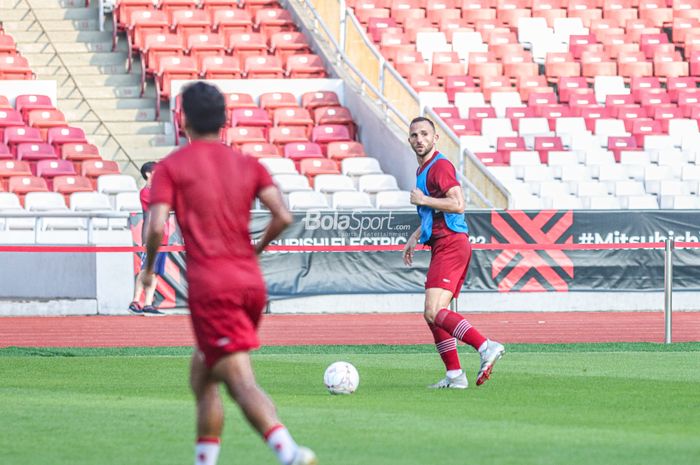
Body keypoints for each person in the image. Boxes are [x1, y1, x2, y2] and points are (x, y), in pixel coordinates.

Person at [140, 82, 317, 465]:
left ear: (183, 119)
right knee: (201, 379)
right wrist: (255, 249)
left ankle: (290, 454)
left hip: (212, 287)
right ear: (224, 120)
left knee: (238, 381)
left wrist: (147, 273)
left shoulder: (172, 167)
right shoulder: (248, 164)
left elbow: (156, 227)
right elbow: (283, 215)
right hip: (250, 284)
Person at [402, 116, 505, 389]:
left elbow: (458, 203)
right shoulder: (423, 169)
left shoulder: (440, 166)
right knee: (432, 313)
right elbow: (434, 211)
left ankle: (485, 346)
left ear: (435, 138)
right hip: (443, 243)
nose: (419, 139)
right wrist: (416, 235)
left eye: (425, 134)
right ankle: (455, 376)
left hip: (451, 242)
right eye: (414, 135)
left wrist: (423, 199)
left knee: (434, 311)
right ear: (409, 140)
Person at [128, 161, 166, 316]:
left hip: (162, 237)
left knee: (154, 272)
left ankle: (148, 303)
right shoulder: (146, 192)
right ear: (149, 174)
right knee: (146, 270)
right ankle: (136, 301)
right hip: (151, 237)